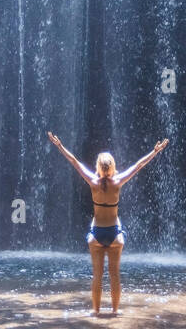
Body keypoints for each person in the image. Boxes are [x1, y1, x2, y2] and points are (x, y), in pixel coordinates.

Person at [46, 131, 169, 316]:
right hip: (115, 235)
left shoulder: (93, 181)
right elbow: (139, 165)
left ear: (98, 166)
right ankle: (114, 312)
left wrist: (59, 146)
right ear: (112, 167)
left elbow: (75, 162)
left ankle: (95, 313)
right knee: (114, 275)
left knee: (97, 275)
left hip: (96, 235)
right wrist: (155, 151)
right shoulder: (118, 181)